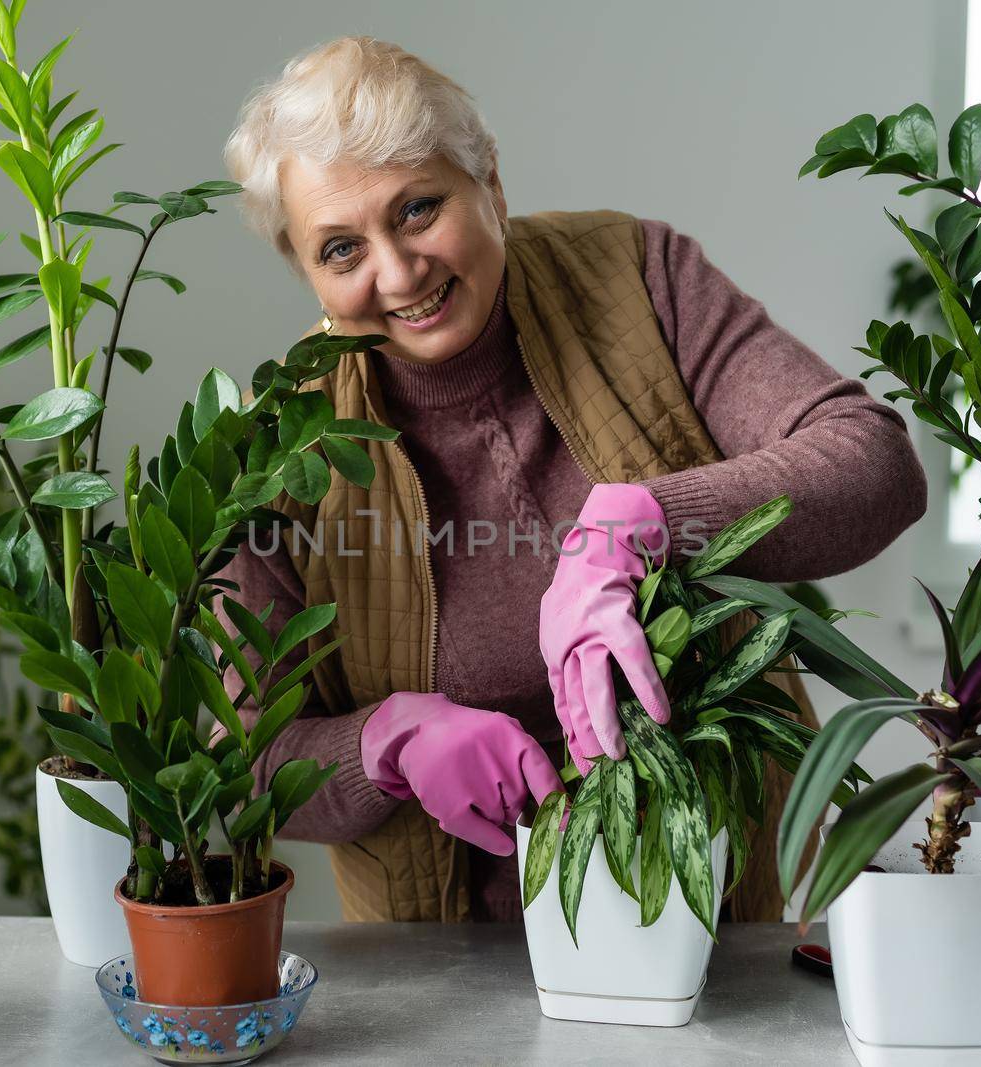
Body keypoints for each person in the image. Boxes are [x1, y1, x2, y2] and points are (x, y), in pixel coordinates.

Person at [218, 36, 926, 922]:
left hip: (716, 925)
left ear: (492, 186)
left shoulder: (636, 280)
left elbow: (873, 460)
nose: (397, 274)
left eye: (418, 209)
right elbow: (238, 762)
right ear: (305, 271)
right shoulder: (277, 441)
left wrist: (647, 522)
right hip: (440, 972)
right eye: (340, 249)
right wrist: (383, 743)